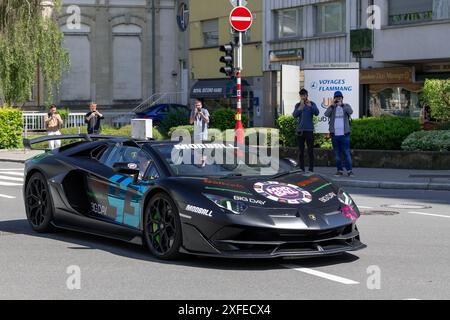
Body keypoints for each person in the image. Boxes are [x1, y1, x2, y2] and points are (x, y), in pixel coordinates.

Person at [325, 91, 354, 177]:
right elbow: (326, 114)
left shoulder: (346, 106)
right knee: (337, 154)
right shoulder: (332, 107)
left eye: (339, 97)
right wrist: (332, 106)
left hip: (345, 134)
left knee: (346, 152)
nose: (338, 99)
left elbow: (350, 111)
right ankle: (339, 170)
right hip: (334, 135)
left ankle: (349, 171)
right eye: (337, 97)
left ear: (342, 98)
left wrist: (342, 105)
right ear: (334, 99)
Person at [292, 89, 320, 173]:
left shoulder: (312, 103)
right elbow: (294, 115)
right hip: (300, 131)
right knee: (301, 151)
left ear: (307, 95)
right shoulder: (298, 105)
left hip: (309, 130)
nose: (302, 97)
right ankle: (301, 168)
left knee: (310, 151)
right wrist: (300, 108)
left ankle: (311, 169)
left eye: (304, 95)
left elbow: (317, 113)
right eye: (301, 95)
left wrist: (310, 105)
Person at [189, 100, 210, 167]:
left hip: (203, 133)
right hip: (196, 134)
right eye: (196, 105)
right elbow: (191, 122)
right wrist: (195, 114)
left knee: (204, 148)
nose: (198, 107)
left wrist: (201, 114)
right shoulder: (193, 111)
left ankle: (203, 162)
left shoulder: (204, 111)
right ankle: (198, 162)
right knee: (196, 149)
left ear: (201, 106)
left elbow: (207, 121)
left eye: (199, 105)